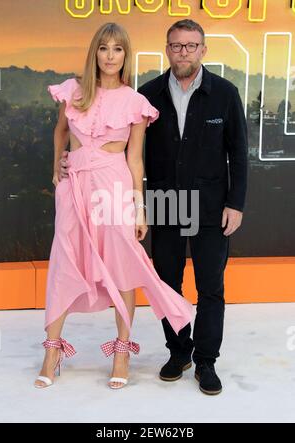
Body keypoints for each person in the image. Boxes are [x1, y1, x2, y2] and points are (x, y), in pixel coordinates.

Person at [34, 22, 193, 390]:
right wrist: (58, 166)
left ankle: (122, 351)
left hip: (114, 186)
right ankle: (52, 350)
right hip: (75, 186)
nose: (109, 55)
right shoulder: (73, 91)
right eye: (103, 48)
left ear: (125, 55)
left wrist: (139, 208)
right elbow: (60, 131)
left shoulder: (135, 102)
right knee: (64, 261)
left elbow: (135, 160)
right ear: (95, 53)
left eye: (117, 49)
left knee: (122, 265)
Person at [137, 20, 248, 395]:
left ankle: (205, 361)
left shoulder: (225, 93)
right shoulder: (147, 94)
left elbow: (239, 154)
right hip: (165, 203)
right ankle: (178, 352)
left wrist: (236, 203)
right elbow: (130, 153)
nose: (183, 52)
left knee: (210, 288)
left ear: (204, 49)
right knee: (168, 285)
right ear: (167, 49)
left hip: (212, 206)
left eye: (191, 45)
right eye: (176, 46)